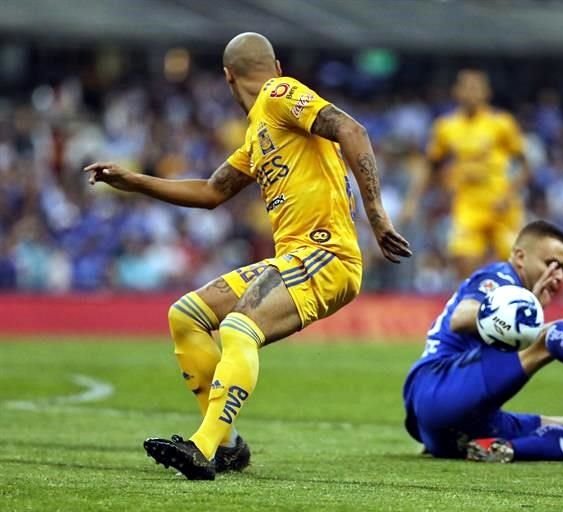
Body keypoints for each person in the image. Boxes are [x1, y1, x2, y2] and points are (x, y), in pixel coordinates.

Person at [84, 32, 411, 480]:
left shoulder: (280, 93)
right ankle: (230, 445)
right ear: (273, 63)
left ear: (227, 76)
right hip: (292, 260)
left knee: (240, 326)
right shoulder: (259, 133)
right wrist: (134, 182)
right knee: (187, 315)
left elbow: (350, 129)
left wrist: (376, 215)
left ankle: (203, 447)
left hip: (325, 254)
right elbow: (211, 191)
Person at [402, 220, 563, 462]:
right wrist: (521, 305)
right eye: (550, 264)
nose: (558, 276)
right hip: (436, 387)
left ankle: (503, 449)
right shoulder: (500, 276)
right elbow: (460, 317)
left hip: (457, 429)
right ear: (520, 257)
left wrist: (524, 308)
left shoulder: (521, 297)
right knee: (550, 333)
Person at [400, 69, 529, 280]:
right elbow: (430, 165)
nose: (470, 93)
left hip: (501, 205)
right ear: (456, 92)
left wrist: (509, 194)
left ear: (486, 93)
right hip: (467, 205)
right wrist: (412, 201)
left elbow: (525, 165)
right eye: (466, 88)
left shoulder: (501, 123)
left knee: (517, 268)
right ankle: (474, 309)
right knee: (464, 264)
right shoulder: (446, 127)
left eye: (476, 88)